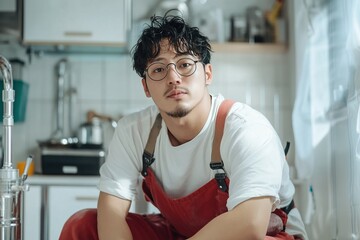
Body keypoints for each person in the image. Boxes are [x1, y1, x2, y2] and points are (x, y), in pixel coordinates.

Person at [59, 12, 308, 240]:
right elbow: (112, 211)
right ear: (146, 87)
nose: (173, 77)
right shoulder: (133, 132)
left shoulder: (245, 128)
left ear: (207, 74)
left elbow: (251, 223)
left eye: (185, 64)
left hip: (265, 233)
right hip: (180, 232)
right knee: (83, 226)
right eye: (158, 69)